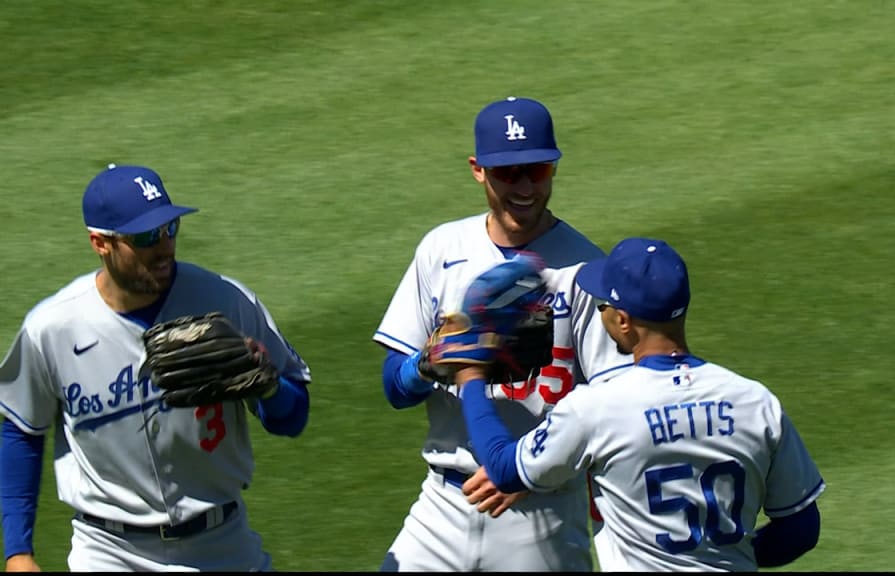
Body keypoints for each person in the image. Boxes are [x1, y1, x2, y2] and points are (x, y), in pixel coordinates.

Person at [0, 164, 312, 572]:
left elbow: (293, 417)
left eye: (170, 229)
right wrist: (18, 551)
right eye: (146, 237)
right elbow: (21, 430)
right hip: (108, 552)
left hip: (222, 544)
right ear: (100, 243)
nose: (164, 247)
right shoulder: (52, 329)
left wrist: (268, 386)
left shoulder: (226, 301)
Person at [454, 237, 826, 572]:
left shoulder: (596, 408)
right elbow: (800, 529)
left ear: (624, 321)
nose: (601, 315)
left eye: (603, 306)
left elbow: (503, 468)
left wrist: (470, 376)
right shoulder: (755, 401)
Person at [372, 96, 633, 572]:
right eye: (508, 173)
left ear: (553, 167)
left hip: (541, 514)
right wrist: (424, 365)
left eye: (536, 170)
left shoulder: (587, 269)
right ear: (478, 170)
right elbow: (393, 386)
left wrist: (528, 470)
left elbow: (613, 406)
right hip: (444, 505)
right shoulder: (442, 248)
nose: (525, 187)